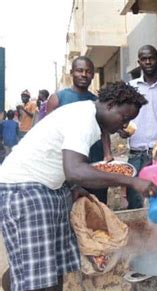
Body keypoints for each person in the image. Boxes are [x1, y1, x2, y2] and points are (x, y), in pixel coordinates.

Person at [0, 81, 157, 291]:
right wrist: (132, 181)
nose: (125, 125)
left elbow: (65, 166)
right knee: (35, 280)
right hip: (25, 190)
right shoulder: (83, 119)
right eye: (124, 118)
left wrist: (73, 187)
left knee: (54, 271)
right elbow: (75, 169)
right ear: (111, 105)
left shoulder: (91, 118)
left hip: (51, 188)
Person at [46, 56, 113, 203]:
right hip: (69, 164)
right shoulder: (57, 99)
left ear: (92, 75)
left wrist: (107, 153)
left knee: (98, 205)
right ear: (72, 73)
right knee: (73, 208)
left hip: (95, 162)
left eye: (88, 72)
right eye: (79, 70)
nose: (84, 74)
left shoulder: (97, 101)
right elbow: (48, 134)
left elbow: (104, 130)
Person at [122, 45, 157, 209]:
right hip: (135, 157)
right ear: (138, 62)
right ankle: (140, 235)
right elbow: (122, 119)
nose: (148, 62)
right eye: (144, 59)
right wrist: (122, 130)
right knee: (136, 205)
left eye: (151, 58)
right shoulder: (130, 88)